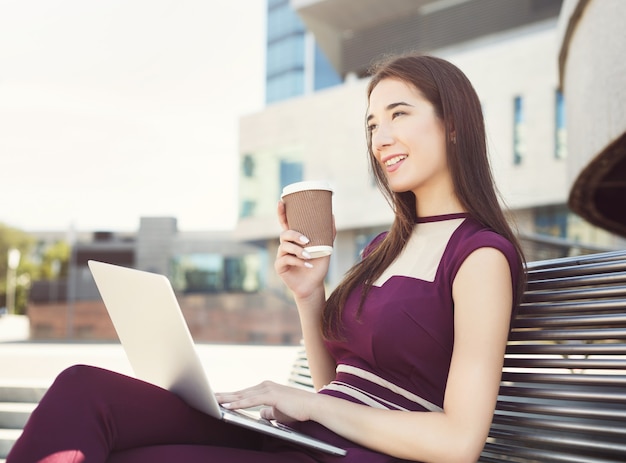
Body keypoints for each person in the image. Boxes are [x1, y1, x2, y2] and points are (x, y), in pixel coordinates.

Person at [7, 53, 525, 463]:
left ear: (453, 123)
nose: (380, 138)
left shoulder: (479, 257)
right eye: (371, 125)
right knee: (83, 389)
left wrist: (310, 403)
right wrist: (308, 295)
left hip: (351, 455)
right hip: (309, 437)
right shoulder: (381, 250)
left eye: (398, 115)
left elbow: (459, 443)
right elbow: (337, 385)